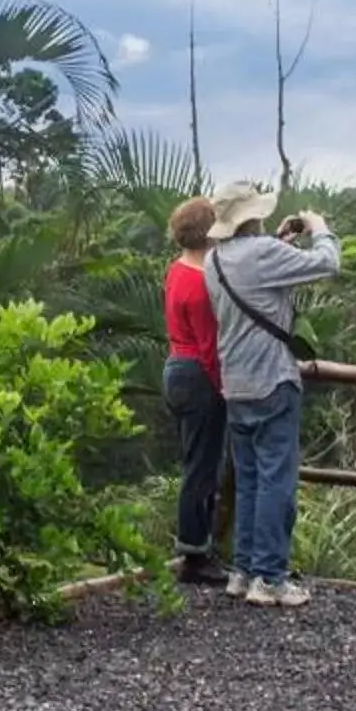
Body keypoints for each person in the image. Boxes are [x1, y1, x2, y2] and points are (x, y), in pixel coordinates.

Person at [204, 182, 338, 607]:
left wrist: (279, 240)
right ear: (253, 216)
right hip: (272, 381)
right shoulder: (263, 254)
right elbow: (328, 263)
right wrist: (320, 228)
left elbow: (254, 274)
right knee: (276, 481)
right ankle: (270, 577)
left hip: (236, 383)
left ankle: (242, 572)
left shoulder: (214, 260)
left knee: (248, 481)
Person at [159, 196, 228, 586]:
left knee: (194, 461)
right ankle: (194, 553)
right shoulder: (201, 285)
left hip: (176, 368)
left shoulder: (177, 271)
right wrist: (224, 389)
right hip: (197, 373)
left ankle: (195, 546)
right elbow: (208, 346)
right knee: (202, 468)